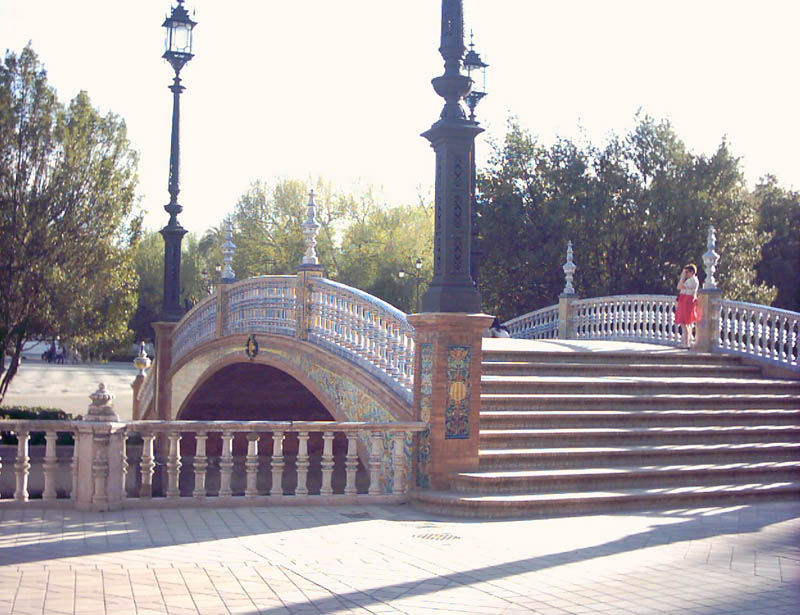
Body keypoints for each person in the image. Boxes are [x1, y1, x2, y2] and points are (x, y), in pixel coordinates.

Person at [675, 263, 699, 349]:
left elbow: (679, 287)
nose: (686, 274)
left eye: (687, 272)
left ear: (692, 272)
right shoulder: (690, 280)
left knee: (685, 323)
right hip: (685, 300)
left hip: (687, 301)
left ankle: (686, 342)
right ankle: (686, 342)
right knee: (686, 323)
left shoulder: (692, 280)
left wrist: (682, 277)